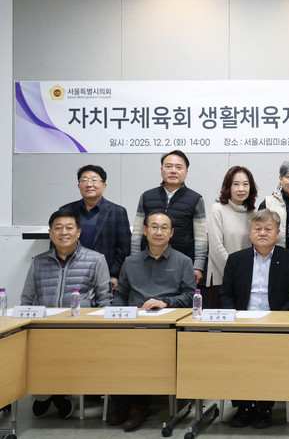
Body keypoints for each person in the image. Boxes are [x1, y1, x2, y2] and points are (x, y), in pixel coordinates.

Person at [21, 209, 112, 420]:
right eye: (58, 228)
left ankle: (53, 393)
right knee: (30, 358)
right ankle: (51, 395)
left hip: (81, 332)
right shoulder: (38, 262)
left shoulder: (96, 260)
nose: (64, 232)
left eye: (69, 228)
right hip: (43, 332)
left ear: (78, 232)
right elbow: (26, 299)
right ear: (50, 233)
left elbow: (105, 301)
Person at [219, 209, 289, 429]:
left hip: (277, 324)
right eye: (257, 229)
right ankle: (244, 406)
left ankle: (265, 407)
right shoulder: (236, 259)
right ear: (250, 232)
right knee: (234, 357)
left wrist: (277, 319)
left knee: (270, 359)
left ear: (278, 233)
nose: (262, 233)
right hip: (242, 324)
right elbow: (226, 295)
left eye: (268, 229)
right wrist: (234, 319)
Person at [111, 210, 196, 431]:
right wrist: (120, 313)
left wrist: (166, 302)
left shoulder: (184, 261)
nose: (159, 232)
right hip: (131, 324)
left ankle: (139, 405)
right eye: (154, 227)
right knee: (114, 348)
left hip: (167, 328)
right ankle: (120, 402)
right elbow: (121, 293)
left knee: (144, 350)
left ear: (171, 233)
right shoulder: (131, 262)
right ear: (145, 230)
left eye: (164, 228)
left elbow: (191, 296)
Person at [130, 150, 207, 285]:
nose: (173, 171)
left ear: (186, 172)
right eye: (168, 166)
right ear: (161, 170)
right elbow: (137, 233)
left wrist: (198, 266)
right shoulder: (147, 196)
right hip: (148, 261)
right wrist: (134, 259)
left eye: (178, 167)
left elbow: (200, 237)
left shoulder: (196, 199)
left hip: (182, 263)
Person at [59, 164, 131, 290]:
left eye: (94, 180)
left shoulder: (117, 212)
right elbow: (57, 243)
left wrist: (114, 275)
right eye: (84, 180)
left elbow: (124, 249)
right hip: (71, 274)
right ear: (78, 185)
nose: (89, 184)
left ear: (104, 185)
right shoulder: (66, 210)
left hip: (104, 275)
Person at [206, 166, 257, 308]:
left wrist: (244, 276)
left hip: (246, 280)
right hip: (221, 279)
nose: (241, 189)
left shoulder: (253, 213)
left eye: (245, 184)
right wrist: (234, 275)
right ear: (228, 187)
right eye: (236, 184)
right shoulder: (217, 210)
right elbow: (216, 248)